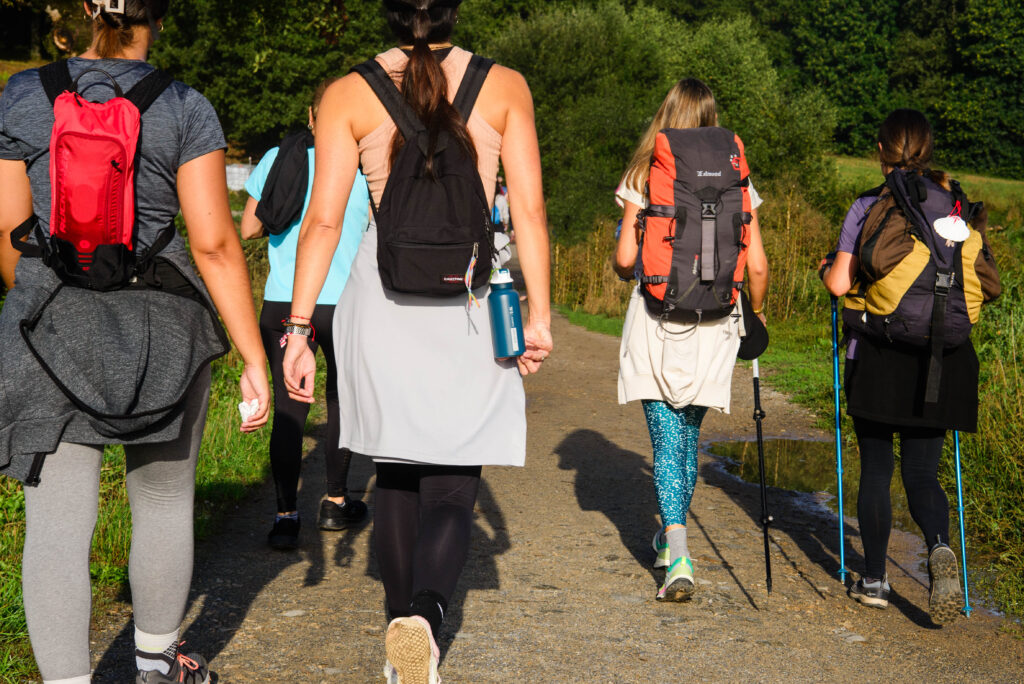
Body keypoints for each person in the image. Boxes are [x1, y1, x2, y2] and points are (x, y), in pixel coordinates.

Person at [0, 2, 270, 683]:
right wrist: (253, 355)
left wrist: (45, 304)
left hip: (48, 328)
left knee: (57, 527)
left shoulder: (24, 95)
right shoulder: (184, 106)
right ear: (161, 15)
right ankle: (156, 668)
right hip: (165, 327)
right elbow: (214, 243)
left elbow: (8, 232)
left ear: (88, 8)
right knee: (164, 500)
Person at [282, 1, 552, 681]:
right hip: (469, 305)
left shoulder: (348, 93)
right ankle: (426, 620)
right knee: (454, 485)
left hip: (383, 303)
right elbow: (529, 209)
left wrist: (298, 329)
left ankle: (401, 628)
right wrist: (540, 316)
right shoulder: (504, 86)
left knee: (397, 475)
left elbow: (322, 222)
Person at [821, 109, 986, 625]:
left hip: (879, 352)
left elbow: (839, 284)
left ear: (881, 151)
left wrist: (827, 266)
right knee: (921, 473)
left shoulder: (869, 205)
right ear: (928, 150)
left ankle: (873, 580)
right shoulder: (955, 206)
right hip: (944, 359)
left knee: (876, 468)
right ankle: (939, 545)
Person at [613, 78, 769, 602]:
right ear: (711, 118)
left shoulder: (644, 173)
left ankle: (677, 555)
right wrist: (756, 313)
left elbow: (625, 260)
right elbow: (758, 266)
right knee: (687, 440)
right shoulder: (737, 175)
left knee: (665, 441)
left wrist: (635, 252)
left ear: (667, 114)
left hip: (656, 318)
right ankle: (670, 538)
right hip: (716, 325)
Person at [240, 77, 371, 550]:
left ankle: (284, 517)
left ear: (311, 117)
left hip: (283, 301)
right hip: (345, 301)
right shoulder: (365, 165)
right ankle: (334, 502)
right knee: (341, 402)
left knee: (290, 408)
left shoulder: (279, 158)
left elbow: (249, 228)